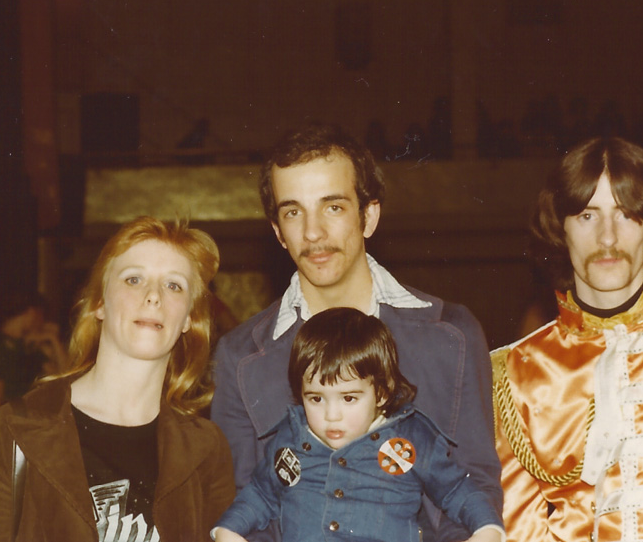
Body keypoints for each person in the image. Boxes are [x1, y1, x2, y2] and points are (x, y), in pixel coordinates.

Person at [211, 123, 502, 541]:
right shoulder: (239, 357)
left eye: (333, 207)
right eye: (293, 212)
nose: (313, 233)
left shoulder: (452, 334)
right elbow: (245, 504)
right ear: (277, 231)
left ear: (369, 216)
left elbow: (474, 489)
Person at [0, 217, 236, 541]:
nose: (153, 296)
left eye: (173, 285)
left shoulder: (207, 449)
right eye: (134, 279)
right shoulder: (10, 432)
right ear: (99, 303)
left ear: (188, 319)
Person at [491, 137, 643, 542]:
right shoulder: (517, 373)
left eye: (626, 215)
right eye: (587, 216)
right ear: (561, 231)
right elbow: (520, 530)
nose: (608, 238)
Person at [214, 308, 505, 542]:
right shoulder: (291, 441)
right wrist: (228, 530)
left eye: (349, 398)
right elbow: (261, 494)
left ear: (381, 392)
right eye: (316, 398)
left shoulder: (409, 440)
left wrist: (487, 527)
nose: (332, 415)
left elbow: (456, 490)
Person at [0, 291, 68, 413]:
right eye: (42, 316)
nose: (42, 323)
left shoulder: (28, 345)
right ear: (32, 312)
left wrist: (53, 339)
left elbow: (64, 375)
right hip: (11, 421)